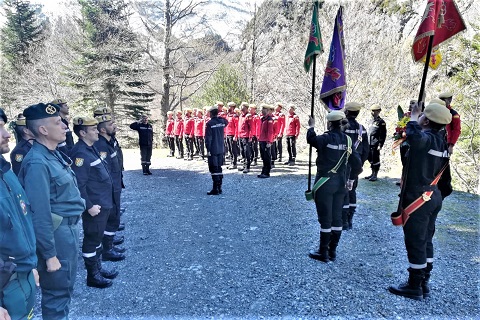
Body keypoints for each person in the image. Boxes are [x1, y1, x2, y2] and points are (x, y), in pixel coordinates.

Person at [18, 103, 86, 319]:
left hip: (68, 231)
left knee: (65, 290)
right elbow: (39, 213)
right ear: (43, 130)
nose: (65, 126)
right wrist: (49, 255)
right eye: (58, 123)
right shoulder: (37, 162)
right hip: (57, 236)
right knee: (57, 294)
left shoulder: (53, 154)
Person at [389, 101, 452, 301]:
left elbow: (416, 138)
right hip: (433, 196)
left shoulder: (426, 139)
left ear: (426, 120)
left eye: (423, 116)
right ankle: (424, 282)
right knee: (426, 240)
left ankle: (414, 286)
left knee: (415, 241)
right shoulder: (442, 143)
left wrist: (414, 117)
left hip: (419, 198)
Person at [307, 111, 362, 262]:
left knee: (325, 219)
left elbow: (311, 139)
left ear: (330, 124)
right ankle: (332, 251)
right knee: (337, 218)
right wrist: (351, 179)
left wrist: (311, 127)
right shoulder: (349, 141)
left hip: (325, 182)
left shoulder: (325, 138)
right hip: (341, 184)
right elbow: (357, 164)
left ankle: (323, 252)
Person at [70, 116, 118, 289]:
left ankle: (98, 269)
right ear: (82, 133)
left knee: (97, 239)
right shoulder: (80, 153)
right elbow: (79, 184)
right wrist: (89, 206)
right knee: (91, 240)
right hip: (95, 206)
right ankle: (93, 276)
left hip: (102, 203)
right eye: (93, 130)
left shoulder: (90, 148)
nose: (97, 131)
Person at [0, 108, 38, 320]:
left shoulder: (6, 173)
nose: (7, 134)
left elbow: (20, 223)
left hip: (21, 277)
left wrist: (28, 266)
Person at [94, 114, 126, 262]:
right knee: (110, 217)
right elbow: (103, 170)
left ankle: (110, 244)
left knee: (114, 216)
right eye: (110, 123)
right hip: (109, 187)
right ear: (102, 129)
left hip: (115, 183)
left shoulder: (109, 140)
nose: (114, 125)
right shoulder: (100, 145)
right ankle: (107, 249)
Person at [342, 102, 369, 230]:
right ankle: (350, 219)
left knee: (342, 191)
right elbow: (366, 150)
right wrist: (360, 164)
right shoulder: (362, 129)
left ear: (346, 112)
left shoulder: (342, 127)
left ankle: (343, 221)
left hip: (343, 165)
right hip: (355, 165)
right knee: (352, 190)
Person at [205, 105, 228, 195]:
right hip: (221, 148)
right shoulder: (221, 121)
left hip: (213, 149)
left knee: (213, 168)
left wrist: (208, 149)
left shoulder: (210, 124)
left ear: (211, 113)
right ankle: (220, 187)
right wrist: (219, 116)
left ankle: (215, 189)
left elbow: (208, 138)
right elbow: (227, 122)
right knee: (219, 167)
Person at [365, 104, 387, 181]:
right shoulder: (371, 121)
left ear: (378, 111)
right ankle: (372, 172)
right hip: (368, 143)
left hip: (375, 143)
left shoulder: (381, 122)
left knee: (375, 159)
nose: (372, 112)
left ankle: (375, 174)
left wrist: (380, 144)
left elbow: (383, 134)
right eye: (371, 111)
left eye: (374, 111)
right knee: (369, 158)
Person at [258, 104, 274, 179]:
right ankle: (263, 171)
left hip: (266, 141)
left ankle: (267, 172)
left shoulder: (269, 119)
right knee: (263, 157)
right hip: (261, 140)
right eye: (261, 109)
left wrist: (269, 141)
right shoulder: (262, 119)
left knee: (267, 157)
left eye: (263, 109)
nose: (262, 111)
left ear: (267, 110)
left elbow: (270, 132)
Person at [237, 102, 253, 173]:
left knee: (247, 152)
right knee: (242, 151)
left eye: (242, 107)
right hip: (241, 136)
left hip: (246, 136)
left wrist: (250, 136)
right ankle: (244, 165)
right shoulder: (241, 116)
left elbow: (251, 127)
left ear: (246, 108)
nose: (241, 108)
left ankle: (247, 166)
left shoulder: (248, 116)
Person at [225, 102, 239, 169]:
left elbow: (237, 126)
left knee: (233, 149)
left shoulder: (235, 116)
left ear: (233, 107)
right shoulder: (228, 115)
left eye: (229, 106)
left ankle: (234, 163)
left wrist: (235, 136)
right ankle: (231, 162)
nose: (228, 108)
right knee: (229, 149)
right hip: (228, 134)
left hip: (232, 135)